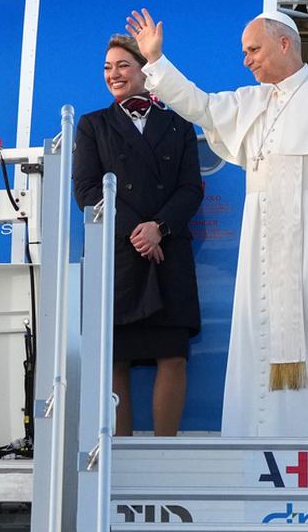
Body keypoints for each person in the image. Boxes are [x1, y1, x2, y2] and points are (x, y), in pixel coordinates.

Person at [126, 8, 308, 438]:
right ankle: (271, 434)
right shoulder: (252, 101)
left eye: (253, 50)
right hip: (266, 236)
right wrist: (155, 59)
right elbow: (199, 106)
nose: (246, 60)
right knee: (265, 331)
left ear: (284, 44)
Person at [73, 34, 204, 436]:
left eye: (122, 65)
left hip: (169, 251)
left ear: (145, 71)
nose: (113, 74)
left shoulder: (178, 123)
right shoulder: (93, 125)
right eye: (107, 68)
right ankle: (118, 454)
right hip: (119, 254)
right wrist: (137, 230)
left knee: (173, 356)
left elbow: (191, 189)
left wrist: (158, 228)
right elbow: (87, 191)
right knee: (116, 359)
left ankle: (167, 452)